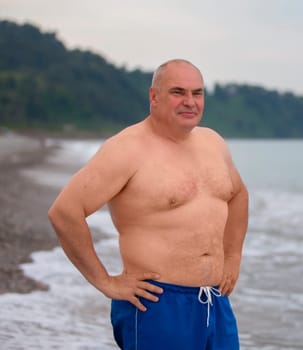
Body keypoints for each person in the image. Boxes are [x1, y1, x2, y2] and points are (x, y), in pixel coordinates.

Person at [48, 59, 249, 349]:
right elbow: (65, 212)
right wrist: (106, 282)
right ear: (154, 96)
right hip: (156, 303)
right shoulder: (127, 149)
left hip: (214, 302)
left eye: (197, 93)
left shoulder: (213, 143)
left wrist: (232, 257)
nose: (190, 102)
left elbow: (238, 194)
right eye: (178, 92)